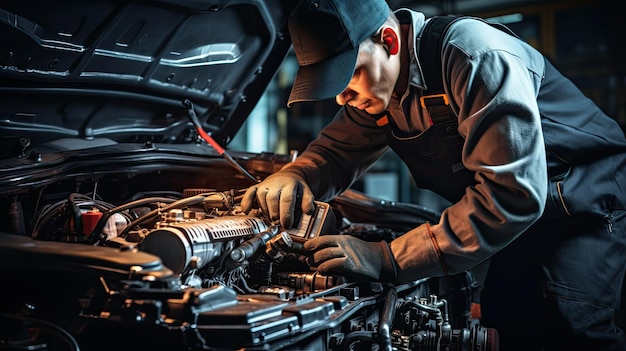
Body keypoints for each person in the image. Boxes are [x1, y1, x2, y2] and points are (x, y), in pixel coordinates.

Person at [240, 0, 626, 349]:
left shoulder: (474, 57)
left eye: (349, 74)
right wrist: (297, 176)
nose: (342, 97)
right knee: (506, 325)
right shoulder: (379, 88)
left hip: (583, 205)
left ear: (389, 40)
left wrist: (389, 259)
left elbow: (511, 196)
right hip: (519, 225)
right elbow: (336, 153)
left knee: (572, 328)